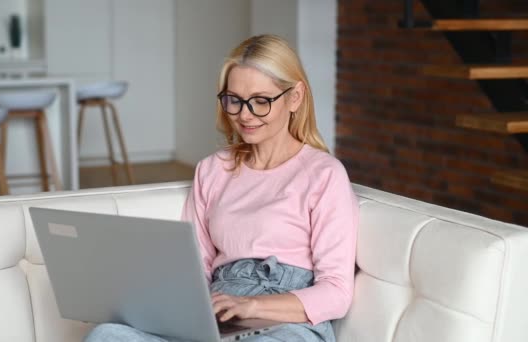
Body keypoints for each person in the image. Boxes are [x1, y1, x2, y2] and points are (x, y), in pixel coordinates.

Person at [85, 34, 358, 342]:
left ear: (295, 97)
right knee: (106, 335)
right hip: (216, 317)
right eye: (234, 100)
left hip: (286, 324)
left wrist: (251, 304)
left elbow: (336, 292)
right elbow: (193, 270)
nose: (244, 114)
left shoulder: (324, 174)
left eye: (260, 101)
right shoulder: (212, 170)